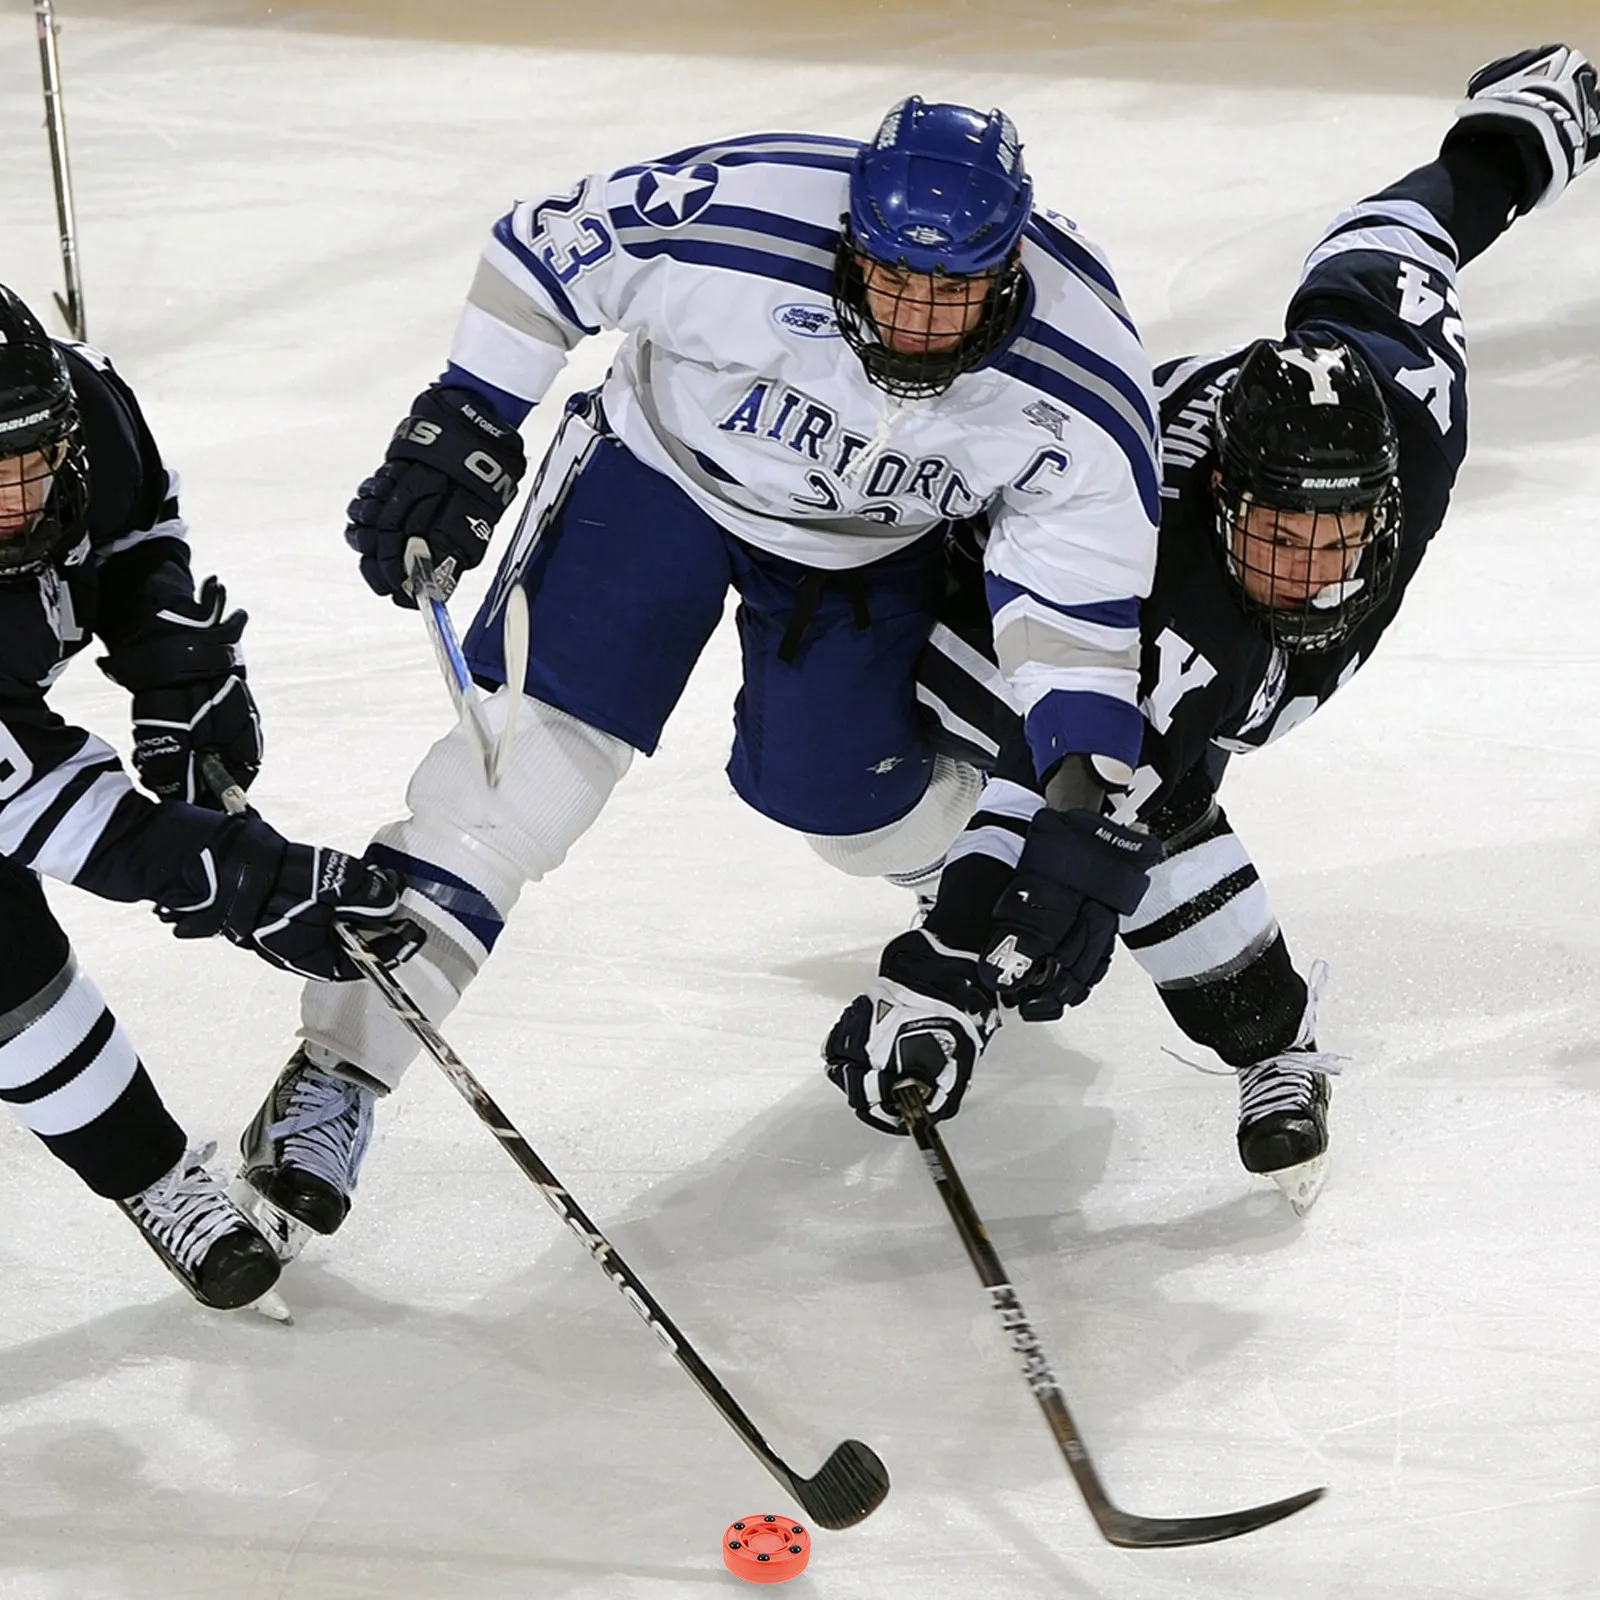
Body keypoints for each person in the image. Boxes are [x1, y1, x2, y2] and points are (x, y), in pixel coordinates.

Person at [234, 97, 1166, 1250]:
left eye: (954, 289)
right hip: (657, 474)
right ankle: (341, 1068)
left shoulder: (1081, 373)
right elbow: (542, 249)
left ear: (1010, 264)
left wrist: (1066, 807)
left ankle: (955, 867)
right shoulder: (742, 211)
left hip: (864, 553)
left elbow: (1074, 611)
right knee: (527, 768)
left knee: (835, 800)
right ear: (849, 241)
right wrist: (465, 417)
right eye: (890, 277)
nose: (918, 317)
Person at [824, 45, 1600, 1214]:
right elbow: (1085, 791)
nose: (1305, 574)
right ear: (1226, 498)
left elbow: (1401, 234)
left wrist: (1527, 120)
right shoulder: (1165, 560)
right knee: (1113, 789)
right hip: (983, 600)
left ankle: (1248, 1036)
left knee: (1139, 790)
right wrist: (951, 973)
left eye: (1335, 543)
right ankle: (1262, 1039)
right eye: (1276, 539)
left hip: (1158, 663)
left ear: (1386, 505)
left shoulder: (1408, 403)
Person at [0, 285, 418, 1309]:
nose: (19, 499)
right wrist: (231, 876)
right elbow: (43, 801)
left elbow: (135, 534)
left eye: (32, 463)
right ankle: (151, 1174)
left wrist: (174, 668)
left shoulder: (81, 406)